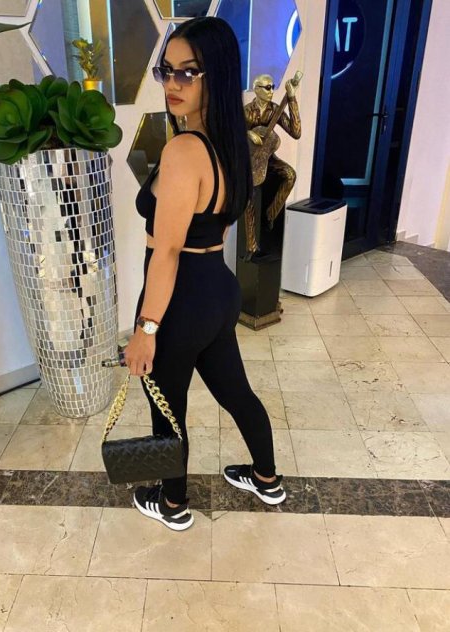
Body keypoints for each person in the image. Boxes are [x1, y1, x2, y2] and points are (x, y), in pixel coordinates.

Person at [125, 16, 286, 531]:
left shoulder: (183, 151)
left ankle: (172, 504)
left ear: (215, 74)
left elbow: (168, 252)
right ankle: (266, 479)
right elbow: (217, 224)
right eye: (166, 70)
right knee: (236, 392)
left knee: (166, 407)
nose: (172, 83)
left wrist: (146, 327)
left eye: (188, 72)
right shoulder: (231, 143)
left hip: (180, 299)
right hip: (218, 288)